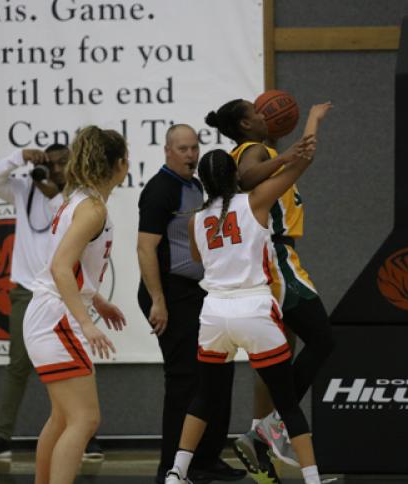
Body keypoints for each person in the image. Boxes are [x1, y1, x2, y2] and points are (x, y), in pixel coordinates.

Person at [165, 145, 325, 484]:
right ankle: (312, 480)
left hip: (214, 311)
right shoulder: (255, 201)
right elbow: (301, 166)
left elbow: (197, 258)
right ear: (235, 175)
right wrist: (311, 124)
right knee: (286, 401)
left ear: (204, 182)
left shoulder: (195, 219)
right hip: (252, 307)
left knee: (204, 396)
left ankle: (176, 472)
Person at [204, 99, 334, 480]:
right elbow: (245, 177)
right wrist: (285, 154)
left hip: (282, 256)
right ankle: (266, 429)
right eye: (257, 112)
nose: (265, 114)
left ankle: (263, 436)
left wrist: (312, 119)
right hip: (276, 256)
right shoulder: (252, 152)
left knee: (278, 361)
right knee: (323, 341)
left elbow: (302, 157)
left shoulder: (268, 151)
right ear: (246, 124)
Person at [137, 124, 245, 484]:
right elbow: (145, 248)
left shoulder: (195, 186)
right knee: (185, 379)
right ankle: (172, 467)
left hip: (193, 291)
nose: (190, 155)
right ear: (167, 151)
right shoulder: (160, 190)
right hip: (168, 292)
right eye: (182, 149)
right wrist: (158, 301)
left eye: (194, 147)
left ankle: (206, 458)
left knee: (219, 369)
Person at [22, 126, 128, 484]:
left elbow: (69, 265)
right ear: (118, 164)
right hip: (57, 318)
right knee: (85, 420)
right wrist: (86, 321)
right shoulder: (91, 209)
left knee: (63, 418)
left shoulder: (77, 199)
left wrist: (96, 297)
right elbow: (59, 267)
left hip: (48, 313)